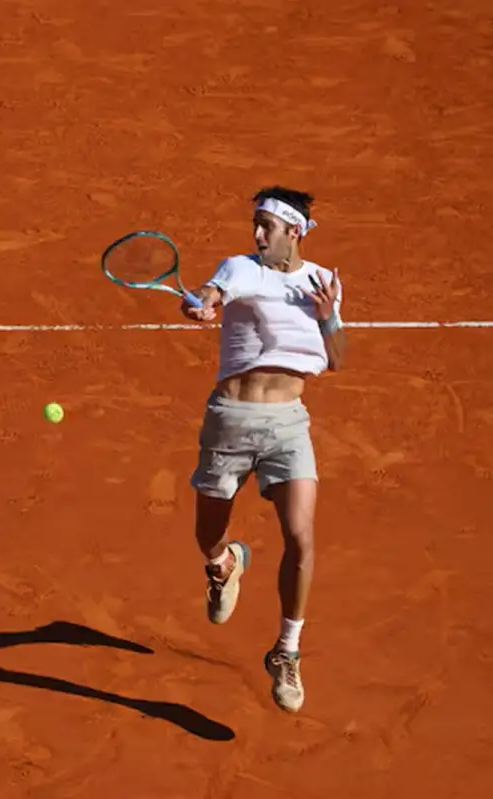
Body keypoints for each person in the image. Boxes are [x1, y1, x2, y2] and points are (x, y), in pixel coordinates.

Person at [179, 186, 345, 713]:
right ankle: (225, 563)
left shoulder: (323, 281)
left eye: (265, 227)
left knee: (301, 537)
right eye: (254, 224)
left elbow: (336, 358)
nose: (256, 235)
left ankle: (286, 651)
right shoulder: (241, 268)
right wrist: (202, 305)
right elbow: (213, 291)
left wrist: (327, 316)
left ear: (293, 232)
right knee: (207, 534)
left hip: (288, 425)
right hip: (230, 421)